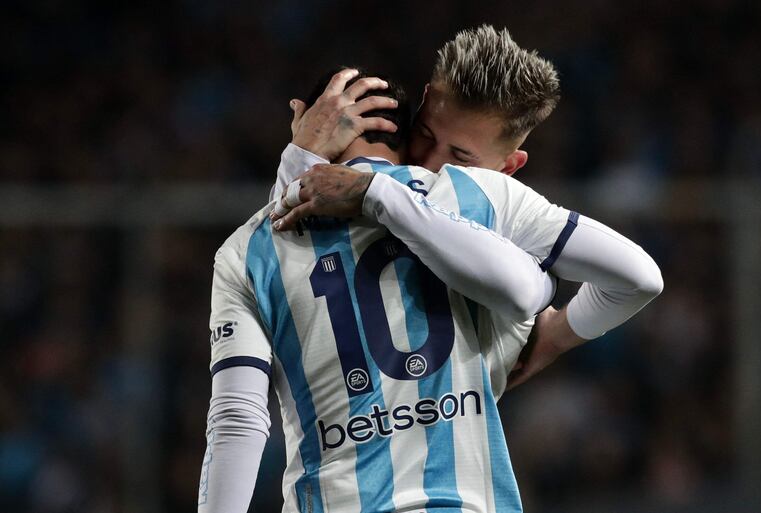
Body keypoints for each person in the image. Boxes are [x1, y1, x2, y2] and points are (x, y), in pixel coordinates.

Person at [199, 59, 662, 510]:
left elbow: (237, 420)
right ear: (408, 126)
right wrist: (554, 332)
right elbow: (625, 279)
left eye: (459, 156)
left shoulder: (247, 250)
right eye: (428, 139)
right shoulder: (478, 197)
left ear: (303, 119)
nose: (440, 163)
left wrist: (298, 166)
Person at [276, 25, 661, 390]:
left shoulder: (500, 203)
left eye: (460, 158)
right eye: (424, 134)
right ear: (424, 100)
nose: (429, 163)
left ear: (508, 168)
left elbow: (639, 276)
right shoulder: (364, 179)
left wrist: (556, 337)